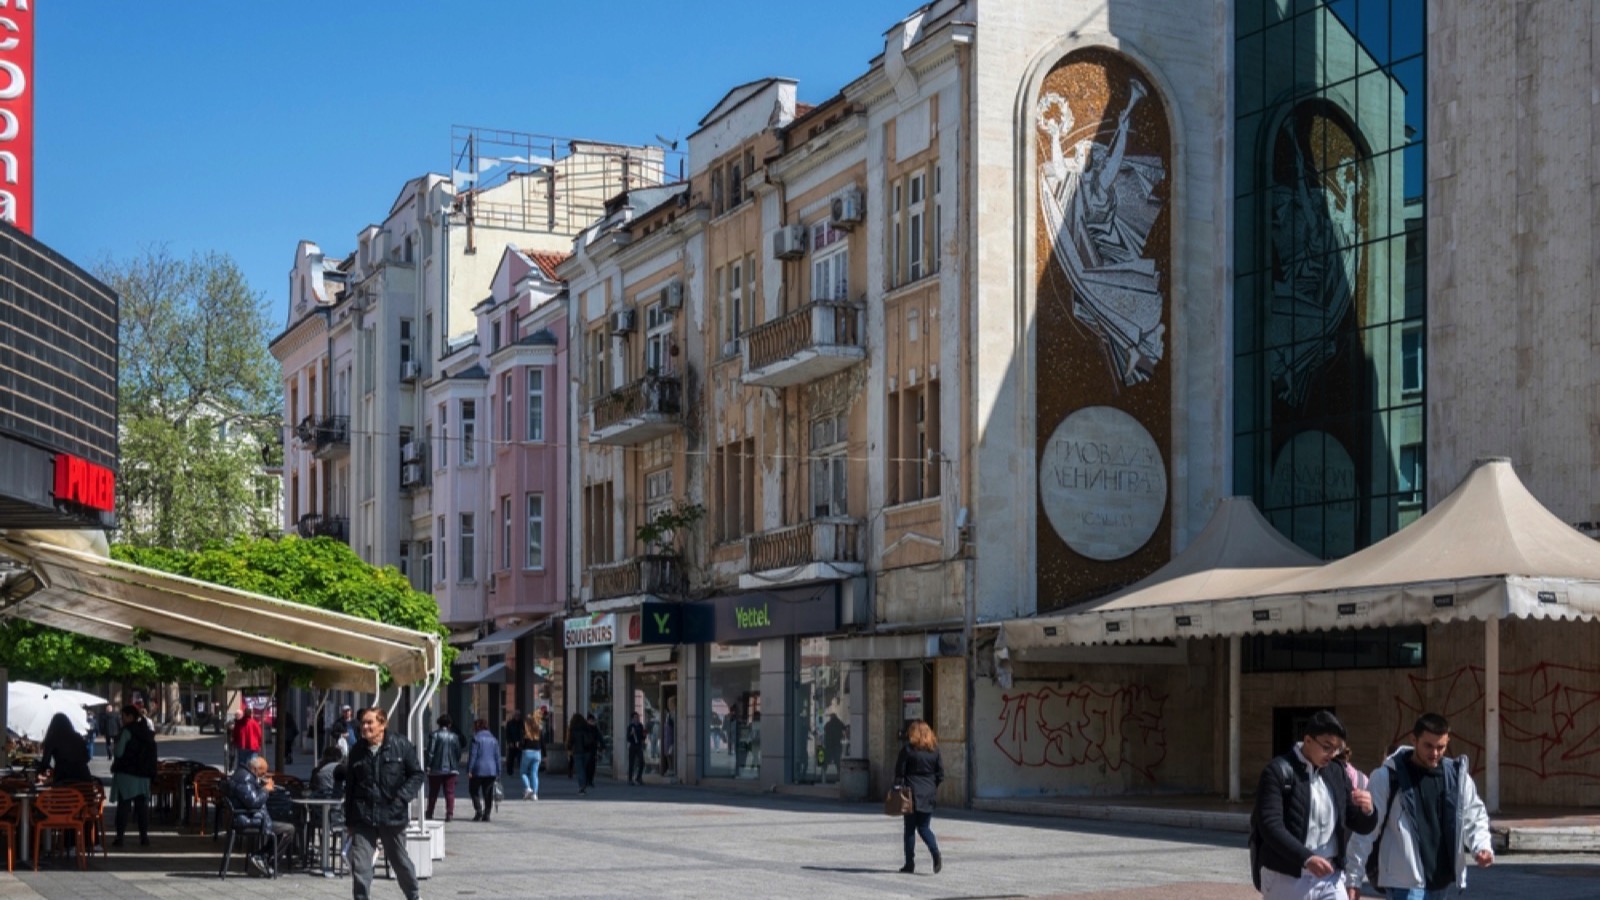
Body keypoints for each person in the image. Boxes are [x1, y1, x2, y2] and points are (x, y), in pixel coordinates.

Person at [1345, 713, 1494, 900]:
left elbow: (1474, 814)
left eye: (1441, 747)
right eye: (1428, 746)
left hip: (1441, 881)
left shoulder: (1456, 777)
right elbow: (1367, 828)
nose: (1435, 753)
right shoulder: (1387, 776)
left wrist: (1481, 845)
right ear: (1414, 740)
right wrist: (1353, 877)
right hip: (1404, 883)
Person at [1249, 710, 1376, 900]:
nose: (1332, 754)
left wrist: (1368, 811)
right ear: (1308, 740)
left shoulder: (1337, 772)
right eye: (1327, 747)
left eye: (1337, 749)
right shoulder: (1278, 771)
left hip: (1329, 875)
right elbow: (1270, 825)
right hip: (1287, 875)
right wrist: (1306, 858)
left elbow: (1356, 822)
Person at [344, 706, 424, 900]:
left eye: (370, 722)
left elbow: (417, 775)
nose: (365, 727)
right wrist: (349, 821)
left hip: (391, 815)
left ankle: (414, 896)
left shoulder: (400, 745)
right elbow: (350, 787)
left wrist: (401, 798)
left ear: (383, 724)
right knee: (360, 865)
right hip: (363, 816)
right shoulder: (357, 751)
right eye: (363, 723)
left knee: (399, 861)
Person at [228, 755, 296, 876]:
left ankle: (263, 856)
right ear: (255, 769)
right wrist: (265, 790)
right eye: (262, 772)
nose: (264, 775)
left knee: (283, 827)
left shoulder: (243, 775)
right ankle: (265, 859)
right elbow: (253, 802)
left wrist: (260, 786)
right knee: (288, 829)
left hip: (248, 817)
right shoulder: (245, 778)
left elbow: (249, 796)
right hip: (248, 820)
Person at [894, 718, 945, 874]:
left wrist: (897, 787)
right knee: (924, 827)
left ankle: (909, 863)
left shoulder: (908, 750)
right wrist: (932, 787)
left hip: (911, 793)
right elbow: (941, 774)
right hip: (928, 793)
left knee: (909, 829)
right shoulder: (935, 750)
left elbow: (899, 772)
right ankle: (935, 852)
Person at [110, 704, 158, 846]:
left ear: (130, 717)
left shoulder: (127, 731)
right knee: (142, 808)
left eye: (123, 716)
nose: (122, 719)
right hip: (143, 776)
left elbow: (119, 753)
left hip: (127, 774)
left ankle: (120, 837)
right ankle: (144, 837)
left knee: (124, 807)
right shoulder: (147, 732)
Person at [424, 713, 462, 822]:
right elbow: (458, 752)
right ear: (449, 724)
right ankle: (449, 813)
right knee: (450, 792)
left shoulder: (434, 735)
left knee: (433, 792)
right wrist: (455, 763)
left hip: (436, 769)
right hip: (451, 768)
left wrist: (428, 765)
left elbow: (430, 752)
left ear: (439, 724)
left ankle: (430, 812)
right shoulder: (454, 736)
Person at [39, 712, 93, 784]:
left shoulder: (53, 738)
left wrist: (41, 770)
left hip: (63, 779)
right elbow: (87, 757)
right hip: (84, 778)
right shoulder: (78, 737)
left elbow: (45, 762)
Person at [466, 718, 500, 821]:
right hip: (491, 770)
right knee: (488, 793)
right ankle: (487, 814)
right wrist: (498, 771)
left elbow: (473, 755)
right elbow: (497, 757)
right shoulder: (494, 739)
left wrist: (469, 769)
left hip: (478, 769)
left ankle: (478, 811)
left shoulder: (476, 738)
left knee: (473, 791)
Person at [569, 713, 598, 795]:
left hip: (577, 751)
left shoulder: (573, 729)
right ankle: (584, 784)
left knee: (580, 770)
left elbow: (570, 741)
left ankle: (582, 787)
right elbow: (591, 739)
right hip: (587, 751)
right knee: (584, 768)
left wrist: (569, 748)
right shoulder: (587, 728)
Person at [519, 710, 543, 800]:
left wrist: (520, 746)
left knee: (523, 772)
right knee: (534, 774)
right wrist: (544, 755)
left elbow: (522, 744)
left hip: (527, 752)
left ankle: (528, 788)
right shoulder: (538, 732)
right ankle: (535, 794)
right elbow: (542, 743)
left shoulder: (525, 732)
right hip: (537, 753)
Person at [823, 712, 847, 782]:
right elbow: (844, 728)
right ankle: (839, 776)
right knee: (837, 761)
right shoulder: (839, 723)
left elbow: (824, 728)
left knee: (826, 760)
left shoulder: (828, 724)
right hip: (837, 745)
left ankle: (823, 775)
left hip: (829, 745)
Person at [626, 711, 646, 785]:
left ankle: (638, 778)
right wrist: (631, 733)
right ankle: (630, 779)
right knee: (631, 763)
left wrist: (644, 737)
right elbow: (627, 737)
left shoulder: (640, 726)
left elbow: (643, 735)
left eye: (638, 717)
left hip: (639, 745)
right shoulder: (630, 726)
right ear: (632, 719)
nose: (637, 719)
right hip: (632, 745)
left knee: (642, 762)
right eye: (635, 717)